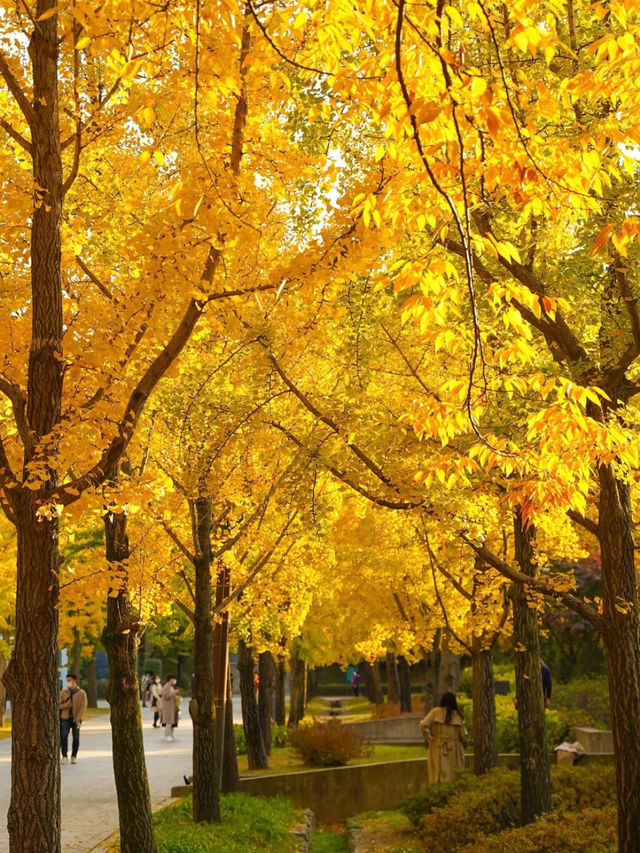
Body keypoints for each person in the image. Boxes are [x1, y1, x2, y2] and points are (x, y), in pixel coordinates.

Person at [420, 692, 467, 784]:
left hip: (437, 747)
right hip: (455, 749)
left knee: (437, 773)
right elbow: (463, 735)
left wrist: (428, 738)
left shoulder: (435, 712)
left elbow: (423, 725)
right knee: (454, 775)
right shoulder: (458, 715)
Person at [59, 673, 88, 765]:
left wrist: (78, 717)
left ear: (74, 681)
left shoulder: (81, 693)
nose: (68, 682)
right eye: (67, 681)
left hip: (77, 720)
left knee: (76, 737)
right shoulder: (63, 693)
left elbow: (83, 706)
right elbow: (58, 705)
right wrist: (66, 705)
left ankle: (74, 756)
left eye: (70, 680)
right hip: (65, 718)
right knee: (63, 736)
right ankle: (64, 756)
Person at [160, 676, 179, 741]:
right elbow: (166, 696)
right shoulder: (166, 687)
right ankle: (167, 735)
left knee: (172, 721)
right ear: (170, 679)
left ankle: (171, 734)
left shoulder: (171, 687)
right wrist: (173, 692)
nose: (174, 680)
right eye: (173, 679)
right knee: (168, 721)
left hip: (172, 707)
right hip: (167, 707)